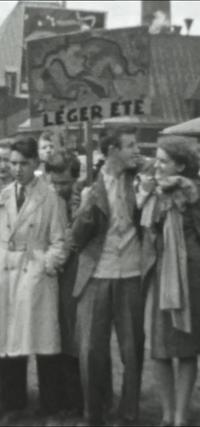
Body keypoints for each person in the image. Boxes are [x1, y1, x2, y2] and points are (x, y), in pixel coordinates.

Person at [139, 138, 200, 426]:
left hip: (188, 280)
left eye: (164, 161)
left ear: (181, 165)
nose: (157, 165)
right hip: (158, 276)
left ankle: (180, 415)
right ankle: (166, 413)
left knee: (186, 349)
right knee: (160, 349)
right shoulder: (153, 192)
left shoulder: (195, 194)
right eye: (156, 159)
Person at [71, 127, 144, 426]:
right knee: (90, 350)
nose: (135, 151)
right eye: (129, 146)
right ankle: (94, 413)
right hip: (96, 273)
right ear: (112, 150)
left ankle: (128, 412)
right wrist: (87, 205)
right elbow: (76, 238)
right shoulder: (87, 187)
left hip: (131, 272)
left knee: (132, 348)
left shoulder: (139, 180)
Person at [0, 137, 66, 417]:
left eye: (24, 163)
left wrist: (46, 265)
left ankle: (51, 404)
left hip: (34, 271)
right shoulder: (3, 195)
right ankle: (12, 401)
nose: (17, 169)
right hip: (5, 271)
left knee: (41, 338)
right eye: (13, 163)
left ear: (36, 164)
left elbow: (61, 241)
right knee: (7, 339)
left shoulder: (50, 198)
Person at [46, 150, 84, 415]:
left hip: (77, 274)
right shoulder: (46, 199)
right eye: (55, 182)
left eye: (65, 183)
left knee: (75, 340)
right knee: (52, 336)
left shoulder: (83, 201)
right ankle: (56, 400)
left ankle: (79, 401)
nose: (60, 188)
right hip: (50, 275)